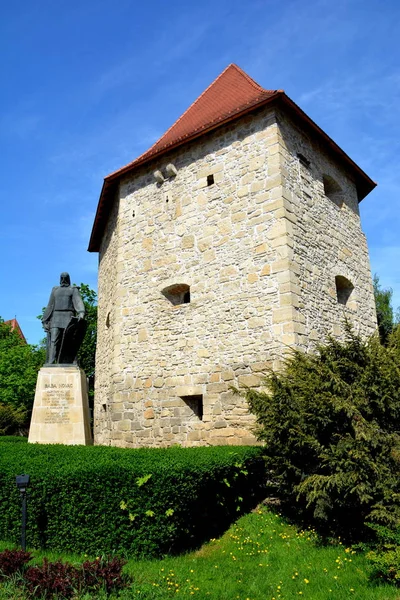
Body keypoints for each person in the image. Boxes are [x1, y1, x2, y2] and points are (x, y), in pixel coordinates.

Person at [42, 273, 85, 364]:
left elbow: (78, 301)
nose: (63, 280)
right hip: (56, 317)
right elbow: (50, 305)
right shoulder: (55, 290)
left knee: (69, 340)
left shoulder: (73, 290)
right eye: (62, 278)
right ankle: (51, 361)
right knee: (54, 340)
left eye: (65, 278)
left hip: (68, 316)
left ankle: (72, 360)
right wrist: (45, 319)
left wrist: (81, 312)